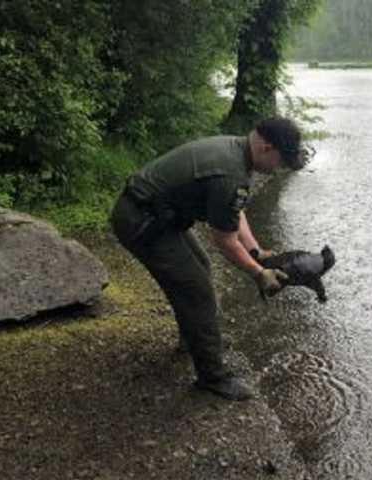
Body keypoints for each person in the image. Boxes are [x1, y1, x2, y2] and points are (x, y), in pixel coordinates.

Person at [110, 117, 306, 401]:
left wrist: (256, 251)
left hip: (156, 215)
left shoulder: (237, 151)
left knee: (200, 267)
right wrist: (258, 272)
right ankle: (212, 377)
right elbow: (224, 240)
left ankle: (193, 339)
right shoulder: (231, 173)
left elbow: (234, 212)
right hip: (141, 221)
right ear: (266, 147)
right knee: (197, 289)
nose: (279, 168)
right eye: (281, 160)